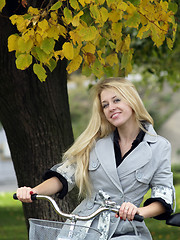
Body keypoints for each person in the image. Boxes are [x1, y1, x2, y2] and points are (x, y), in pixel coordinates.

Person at [16, 77, 175, 239]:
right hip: (84, 226)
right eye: (105, 105)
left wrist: (138, 211)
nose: (111, 108)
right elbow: (65, 176)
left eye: (116, 100)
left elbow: (164, 195)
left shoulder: (159, 147)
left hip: (126, 228)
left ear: (132, 100)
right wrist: (32, 191)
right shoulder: (94, 142)